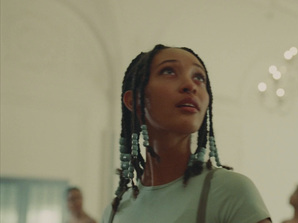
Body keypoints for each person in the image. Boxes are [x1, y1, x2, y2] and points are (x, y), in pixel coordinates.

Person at [101, 44, 272, 223]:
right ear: (135, 100)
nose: (190, 85)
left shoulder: (229, 191)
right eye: (168, 72)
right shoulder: (114, 214)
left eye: (199, 77)